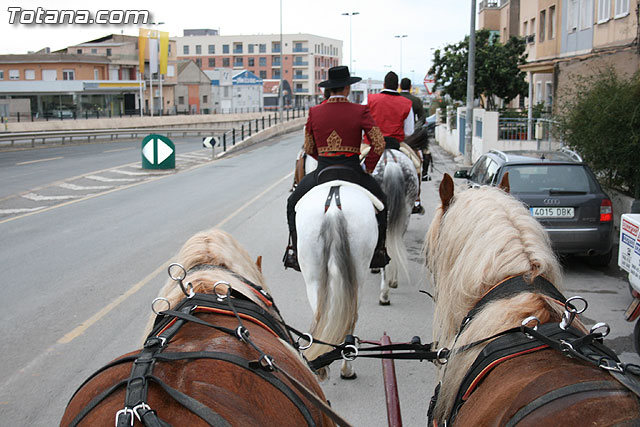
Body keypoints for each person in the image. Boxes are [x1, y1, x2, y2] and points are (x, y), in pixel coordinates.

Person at [284, 65, 389, 272]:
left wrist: (324, 157)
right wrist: (367, 167)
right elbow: (379, 143)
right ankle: (379, 252)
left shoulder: (315, 111)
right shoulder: (360, 110)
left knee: (291, 204)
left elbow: (309, 147)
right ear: (347, 88)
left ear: (330, 88)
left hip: (322, 173)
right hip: (354, 172)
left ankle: (295, 252)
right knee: (383, 204)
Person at [364, 72, 425, 213]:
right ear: (397, 86)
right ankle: (416, 200)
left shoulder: (369, 99)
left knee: (355, 164)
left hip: (372, 144)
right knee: (417, 165)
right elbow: (409, 131)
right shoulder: (406, 103)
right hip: (396, 144)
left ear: (384, 85)